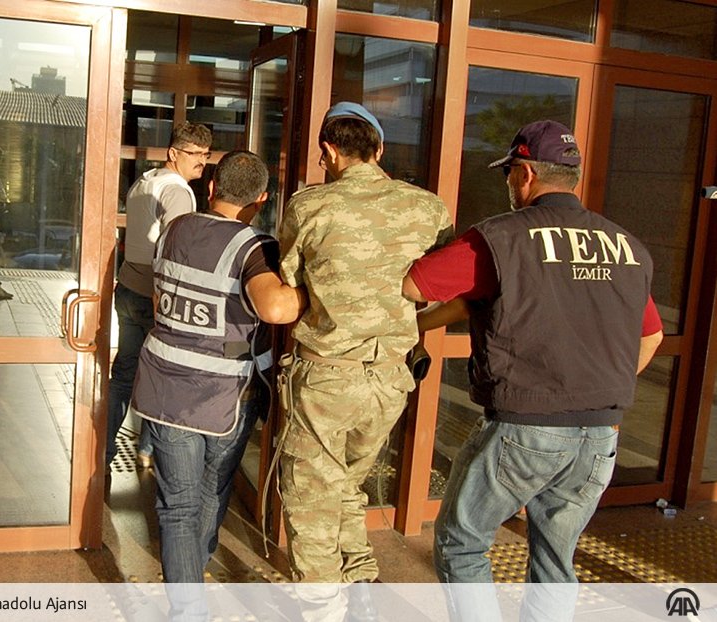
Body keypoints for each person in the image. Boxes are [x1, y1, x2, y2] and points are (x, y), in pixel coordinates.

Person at [402, 120, 664, 600]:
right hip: (600, 436)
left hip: (527, 427)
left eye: (509, 175)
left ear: (524, 174)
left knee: (461, 545)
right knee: (555, 560)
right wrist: (597, 389)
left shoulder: (502, 238)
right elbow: (652, 335)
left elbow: (415, 284)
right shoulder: (626, 246)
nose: (508, 185)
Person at [277, 101, 454, 583]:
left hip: (327, 377)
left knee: (311, 494)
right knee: (349, 480)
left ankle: (319, 607)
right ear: (380, 149)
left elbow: (290, 278)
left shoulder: (309, 205)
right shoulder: (428, 207)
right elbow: (441, 280)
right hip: (391, 378)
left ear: (329, 152)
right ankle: (359, 573)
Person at [128, 150, 306, 589]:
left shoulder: (174, 230)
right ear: (262, 199)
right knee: (210, 493)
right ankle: (195, 570)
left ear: (210, 189)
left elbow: (160, 298)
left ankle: (186, 598)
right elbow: (277, 308)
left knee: (177, 506)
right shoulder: (254, 247)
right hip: (226, 398)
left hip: (167, 390)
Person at [106, 122, 212, 469]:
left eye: (206, 154)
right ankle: (151, 451)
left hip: (128, 287)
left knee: (124, 374)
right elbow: (180, 250)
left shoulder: (145, 181)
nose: (202, 161)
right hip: (155, 296)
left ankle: (104, 452)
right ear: (173, 153)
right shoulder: (178, 190)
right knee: (163, 377)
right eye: (194, 153)